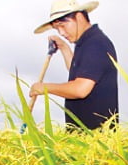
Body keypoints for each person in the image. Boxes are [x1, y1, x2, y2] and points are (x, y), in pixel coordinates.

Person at [29, 0, 119, 131]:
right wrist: (64, 48)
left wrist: (44, 88)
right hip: (83, 137)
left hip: (96, 139)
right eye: (57, 28)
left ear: (79, 17)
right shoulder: (85, 43)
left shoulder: (95, 44)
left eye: (63, 25)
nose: (61, 32)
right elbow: (82, 72)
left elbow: (80, 89)